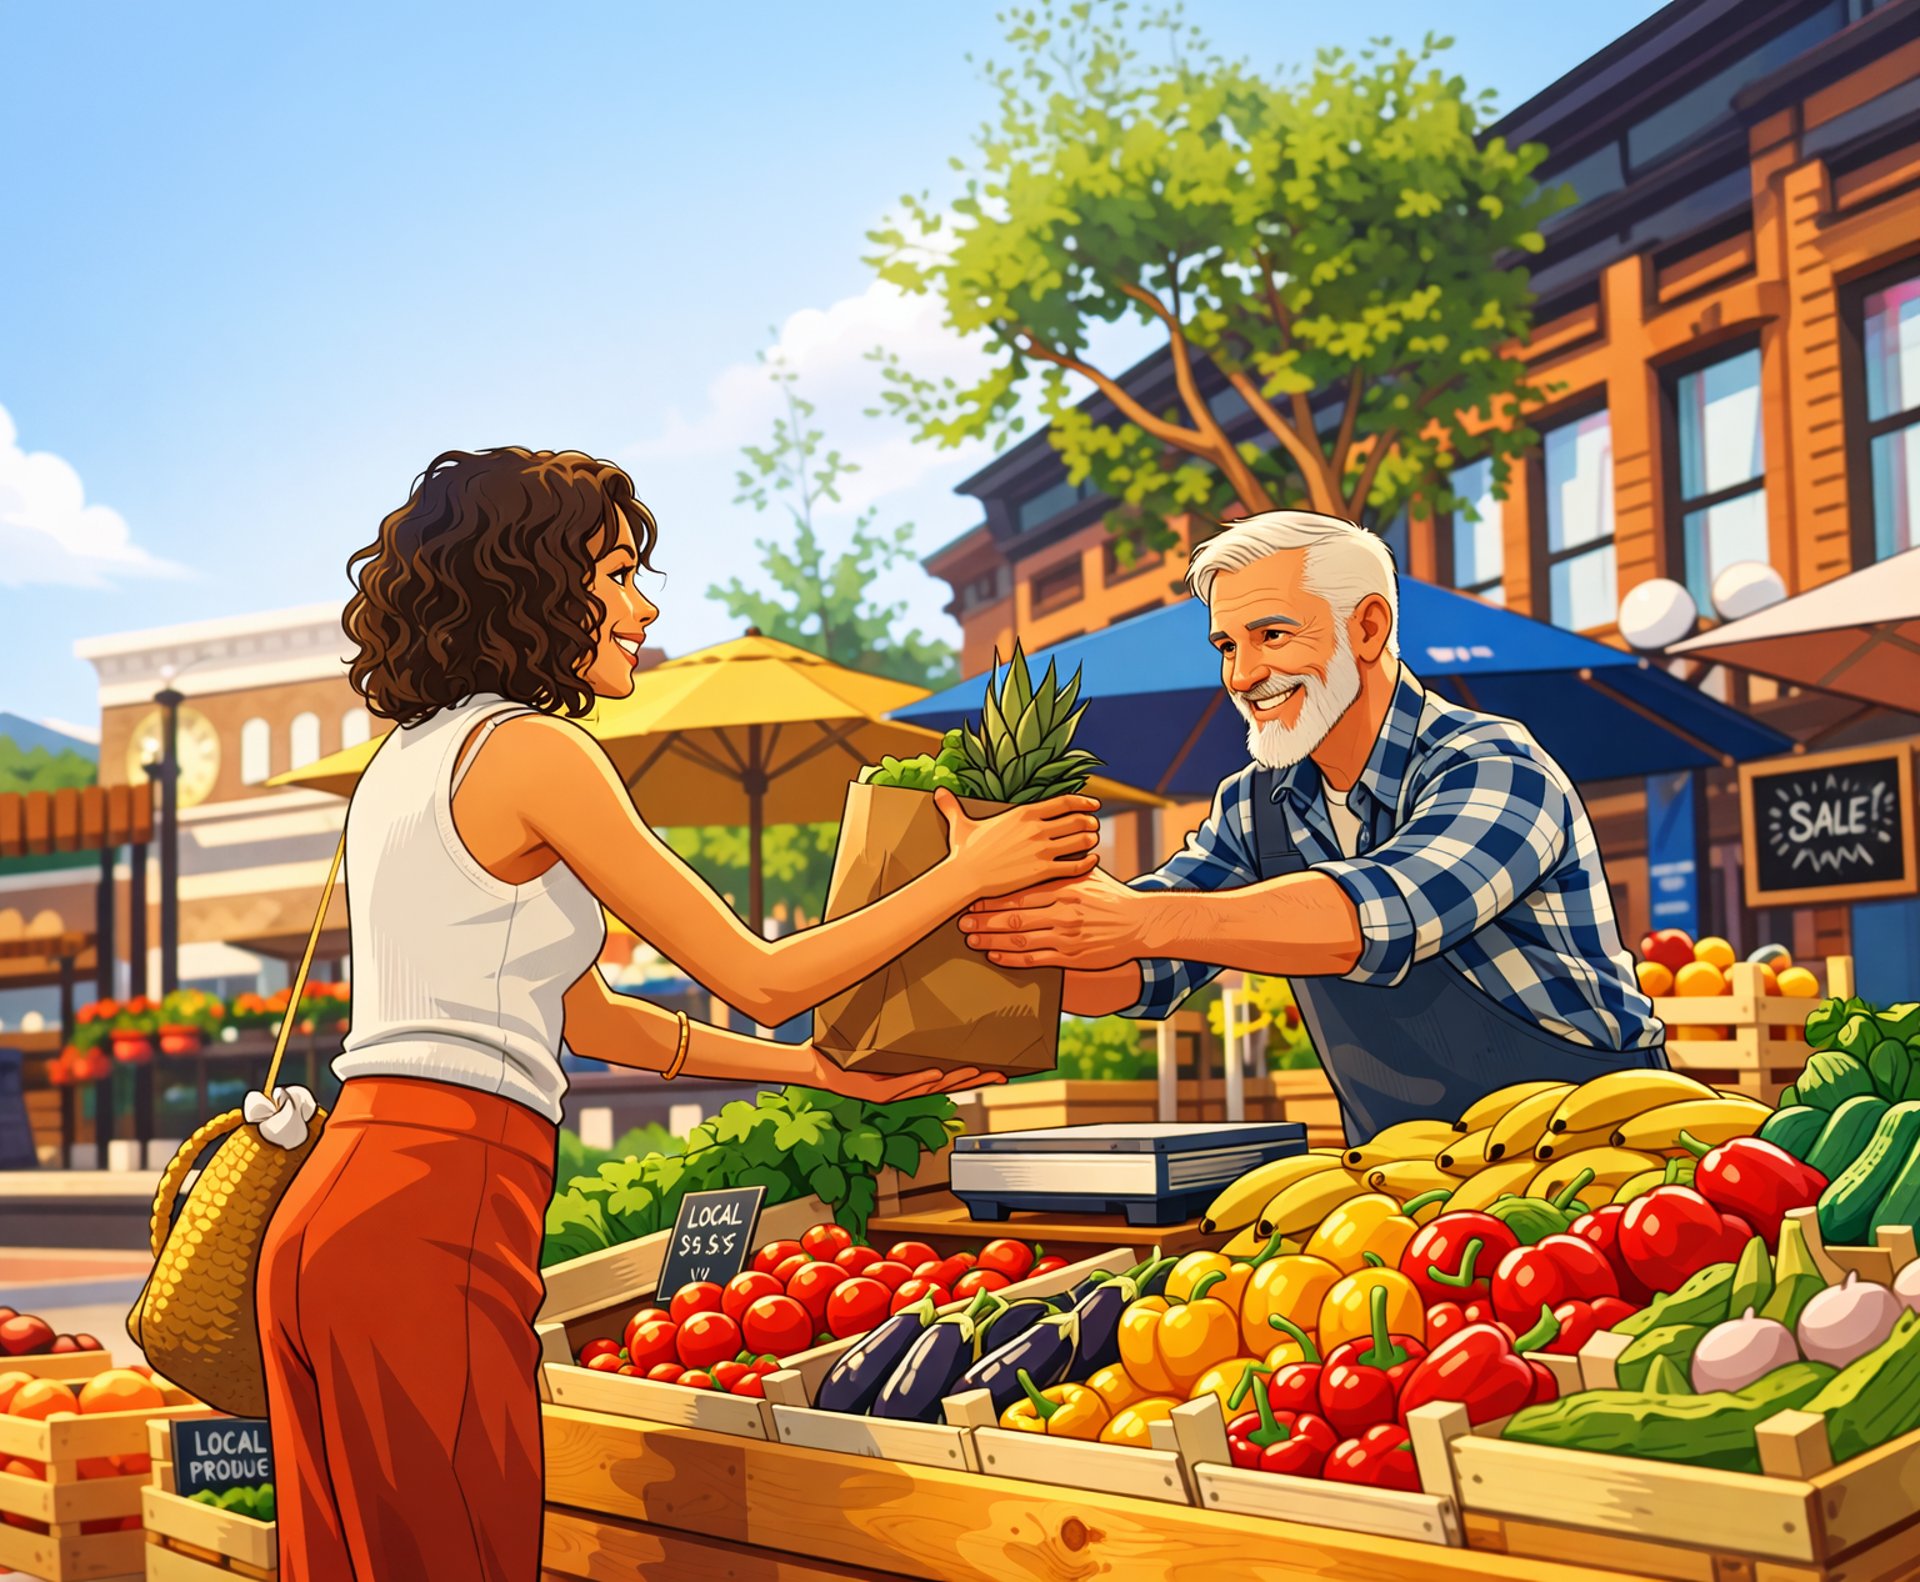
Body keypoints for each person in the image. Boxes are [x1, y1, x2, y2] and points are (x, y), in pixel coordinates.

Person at [256, 446, 1101, 1582]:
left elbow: (594, 1017)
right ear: (530, 582)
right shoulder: (536, 750)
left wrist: (815, 1073)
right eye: (613, 574)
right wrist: (964, 871)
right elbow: (756, 972)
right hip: (433, 1215)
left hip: (334, 1211)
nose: (642, 606)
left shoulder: (405, 764)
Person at [959, 509, 1667, 1140]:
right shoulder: (1254, 805)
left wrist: (1136, 920)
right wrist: (987, 934)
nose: (1242, 675)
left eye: (1271, 634)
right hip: (1407, 1174)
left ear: (1368, 627)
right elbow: (1140, 969)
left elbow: (1375, 915)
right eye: (1228, 646)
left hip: (1599, 1151)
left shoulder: (1493, 764)